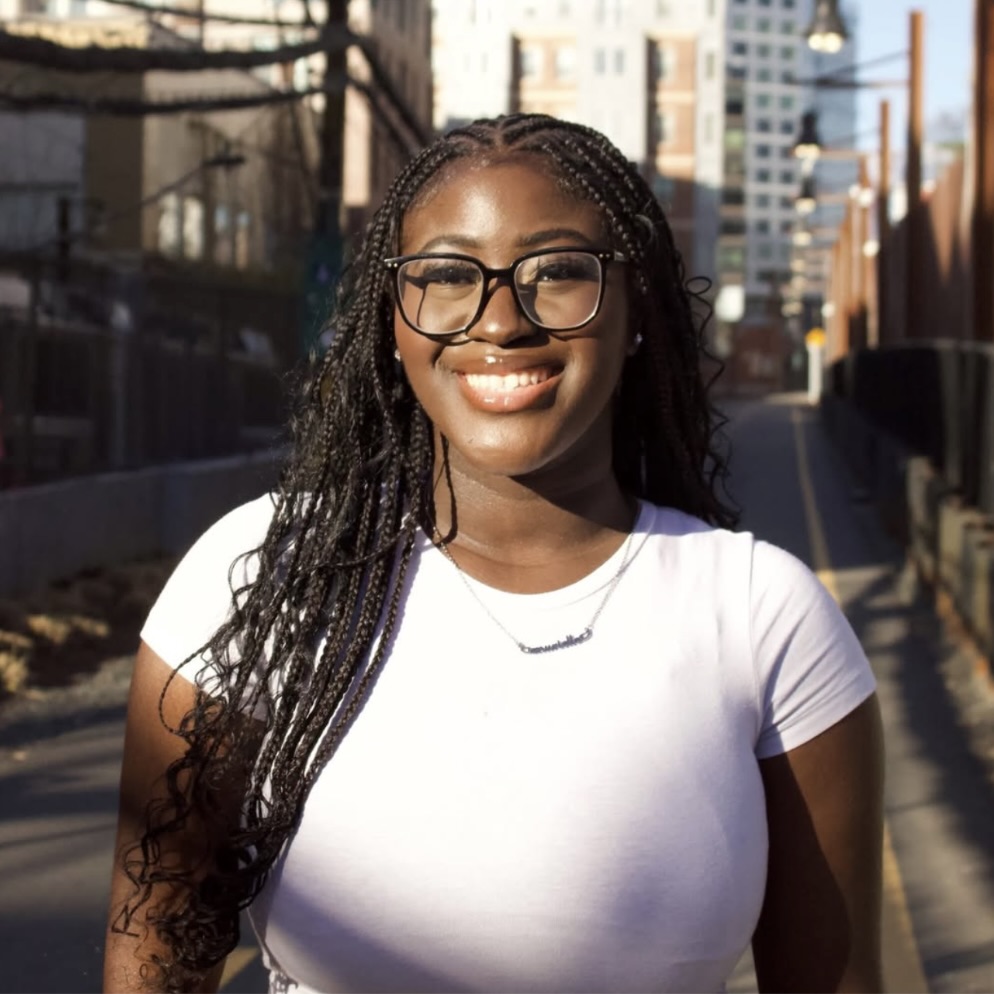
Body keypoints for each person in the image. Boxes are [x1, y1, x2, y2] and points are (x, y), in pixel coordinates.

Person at [103, 113, 884, 994]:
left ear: (636, 312)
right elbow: (154, 961)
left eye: (557, 272)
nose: (500, 321)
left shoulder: (763, 617)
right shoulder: (261, 574)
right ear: (391, 325)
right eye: (444, 275)